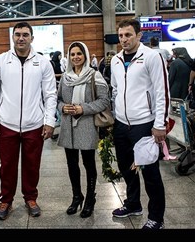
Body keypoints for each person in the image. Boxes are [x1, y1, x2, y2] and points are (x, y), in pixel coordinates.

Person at [0, 21, 57, 220]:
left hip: (34, 124)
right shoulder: (0, 61)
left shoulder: (42, 62)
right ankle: (6, 199)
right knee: (7, 164)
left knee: (32, 164)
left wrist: (49, 121)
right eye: (17, 34)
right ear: (12, 37)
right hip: (6, 124)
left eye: (25, 34)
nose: (21, 38)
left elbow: (50, 94)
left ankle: (30, 198)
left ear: (32, 38)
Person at [110, 18, 169, 229]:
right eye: (121, 35)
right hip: (121, 124)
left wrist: (160, 124)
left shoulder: (152, 57)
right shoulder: (115, 60)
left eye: (128, 35)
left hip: (144, 124)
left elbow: (162, 92)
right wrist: (117, 114)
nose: (124, 39)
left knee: (150, 173)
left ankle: (156, 217)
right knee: (127, 169)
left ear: (138, 36)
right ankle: (133, 204)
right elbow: (115, 89)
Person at [56, 41, 110, 218]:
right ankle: (76, 196)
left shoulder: (95, 76)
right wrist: (63, 107)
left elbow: (104, 101)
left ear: (85, 55)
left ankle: (90, 199)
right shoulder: (65, 77)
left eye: (79, 54)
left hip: (86, 126)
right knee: (72, 164)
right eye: (72, 54)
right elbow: (57, 100)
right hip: (68, 127)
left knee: (88, 164)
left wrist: (83, 108)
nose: (76, 57)